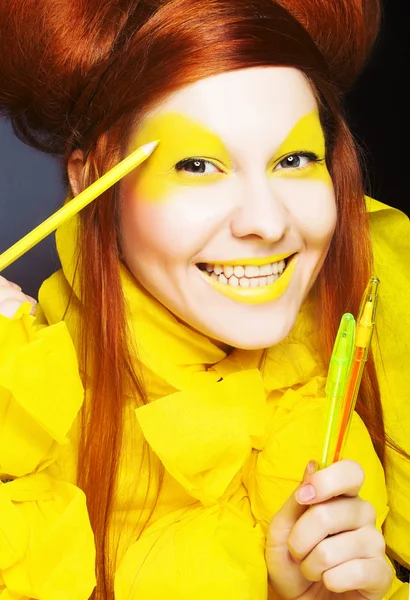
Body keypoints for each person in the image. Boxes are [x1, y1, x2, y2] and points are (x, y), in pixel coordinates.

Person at [0, 0, 409, 598]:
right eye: (197, 165)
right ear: (90, 180)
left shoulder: (381, 324)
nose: (267, 223)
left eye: (294, 159)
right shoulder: (24, 416)